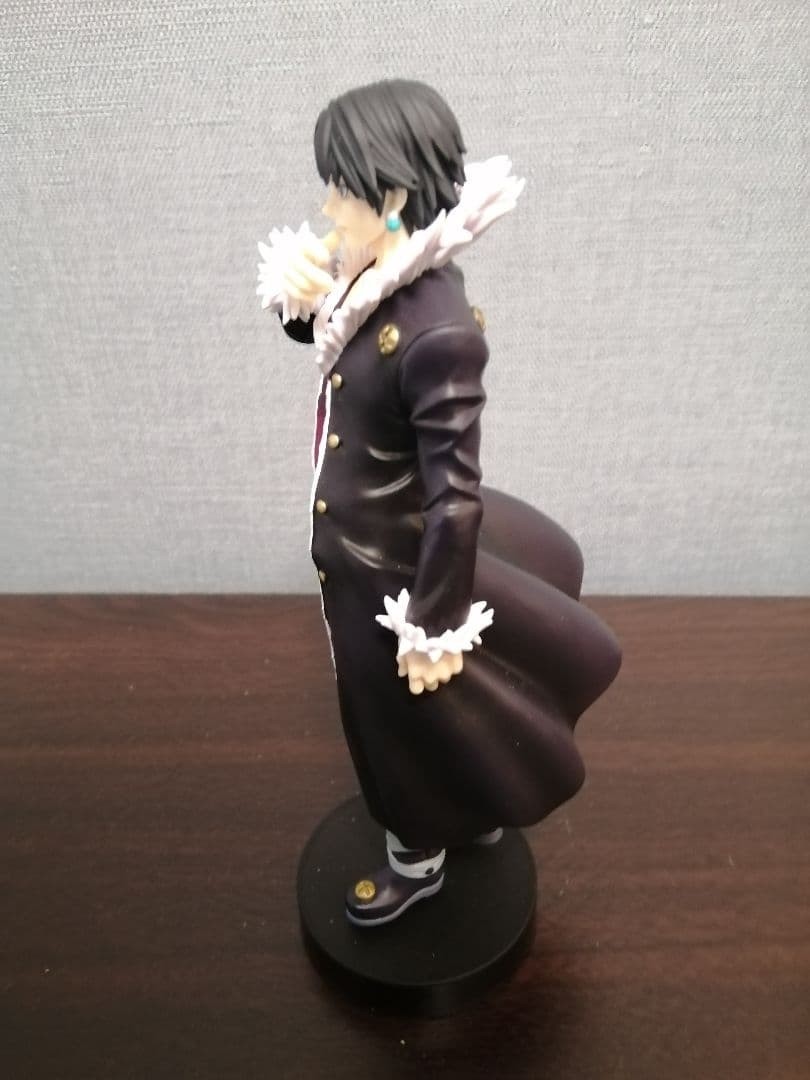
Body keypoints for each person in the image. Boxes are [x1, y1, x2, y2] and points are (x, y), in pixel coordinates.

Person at [257, 80, 621, 927]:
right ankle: (475, 810)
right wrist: (299, 297)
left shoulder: (437, 328)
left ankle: (414, 859)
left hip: (392, 572)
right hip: (362, 555)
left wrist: (431, 625)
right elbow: (331, 337)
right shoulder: (377, 276)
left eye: (342, 190)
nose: (328, 207)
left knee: (395, 724)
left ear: (391, 198)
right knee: (445, 723)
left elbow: (456, 495)